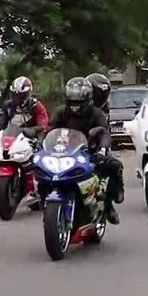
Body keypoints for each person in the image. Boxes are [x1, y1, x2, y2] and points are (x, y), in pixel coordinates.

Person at [48, 77, 124, 224]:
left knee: (113, 165)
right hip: (64, 152)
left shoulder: (97, 114)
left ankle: (109, 205)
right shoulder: (60, 112)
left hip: (90, 152)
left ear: (88, 99)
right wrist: (41, 145)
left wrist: (102, 149)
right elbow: (49, 131)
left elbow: (104, 132)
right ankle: (41, 194)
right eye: (72, 102)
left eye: (79, 103)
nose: (75, 107)